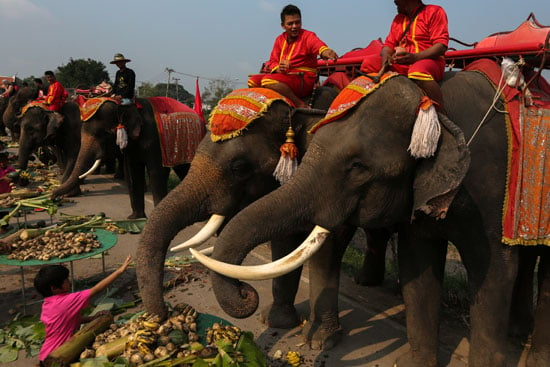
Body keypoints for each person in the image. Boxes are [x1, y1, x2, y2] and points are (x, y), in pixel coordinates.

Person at [34, 255, 132, 365]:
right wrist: (120, 271)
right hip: (59, 356)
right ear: (54, 288)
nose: (69, 282)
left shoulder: (48, 303)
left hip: (46, 354)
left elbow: (69, 321)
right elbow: (97, 289)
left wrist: (93, 318)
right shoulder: (66, 301)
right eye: (66, 280)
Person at [360, 0, 448, 111]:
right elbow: (388, 45)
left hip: (430, 61)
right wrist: (386, 56)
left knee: (417, 71)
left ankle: (442, 114)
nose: (394, 1)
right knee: (369, 63)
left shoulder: (434, 11)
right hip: (404, 64)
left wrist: (415, 58)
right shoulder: (398, 19)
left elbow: (441, 46)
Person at [248, 4, 338, 108]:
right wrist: (278, 68)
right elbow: (272, 61)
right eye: (290, 24)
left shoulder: (308, 36)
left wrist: (325, 51)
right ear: (283, 25)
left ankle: (299, 104)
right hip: (284, 77)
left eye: (297, 22)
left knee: (268, 81)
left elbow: (318, 45)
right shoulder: (279, 40)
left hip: (304, 79)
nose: (294, 26)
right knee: (253, 81)